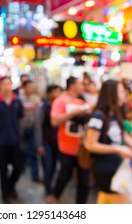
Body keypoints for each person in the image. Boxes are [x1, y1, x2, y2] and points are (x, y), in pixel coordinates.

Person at [85, 80, 132, 204]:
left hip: (116, 167)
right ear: (111, 94)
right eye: (121, 92)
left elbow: (125, 137)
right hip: (106, 169)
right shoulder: (98, 116)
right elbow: (90, 144)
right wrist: (117, 149)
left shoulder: (114, 114)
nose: (124, 94)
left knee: (105, 200)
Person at [50, 76, 92, 204]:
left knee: (84, 180)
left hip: (83, 149)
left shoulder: (81, 102)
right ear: (72, 85)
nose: (83, 86)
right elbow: (54, 121)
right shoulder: (61, 101)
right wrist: (74, 113)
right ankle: (55, 197)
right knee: (64, 176)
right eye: (80, 84)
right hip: (66, 148)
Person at [0, 76, 24, 202]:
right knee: (3, 169)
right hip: (1, 141)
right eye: (4, 84)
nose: (6, 86)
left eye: (8, 84)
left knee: (18, 166)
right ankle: (5, 194)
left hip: (15, 140)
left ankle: (11, 186)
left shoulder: (18, 102)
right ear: (0, 86)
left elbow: (20, 118)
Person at [35, 85, 62, 199]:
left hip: (57, 142)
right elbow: (38, 126)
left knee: (54, 166)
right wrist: (39, 144)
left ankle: (50, 186)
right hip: (46, 141)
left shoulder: (60, 107)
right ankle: (49, 190)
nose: (58, 94)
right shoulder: (44, 107)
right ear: (49, 93)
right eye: (56, 91)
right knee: (47, 165)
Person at [19, 80, 41, 182]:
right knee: (22, 151)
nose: (31, 89)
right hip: (22, 128)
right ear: (24, 88)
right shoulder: (19, 99)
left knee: (32, 152)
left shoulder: (36, 98)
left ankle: (35, 174)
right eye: (29, 87)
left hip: (33, 128)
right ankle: (21, 169)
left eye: (32, 87)